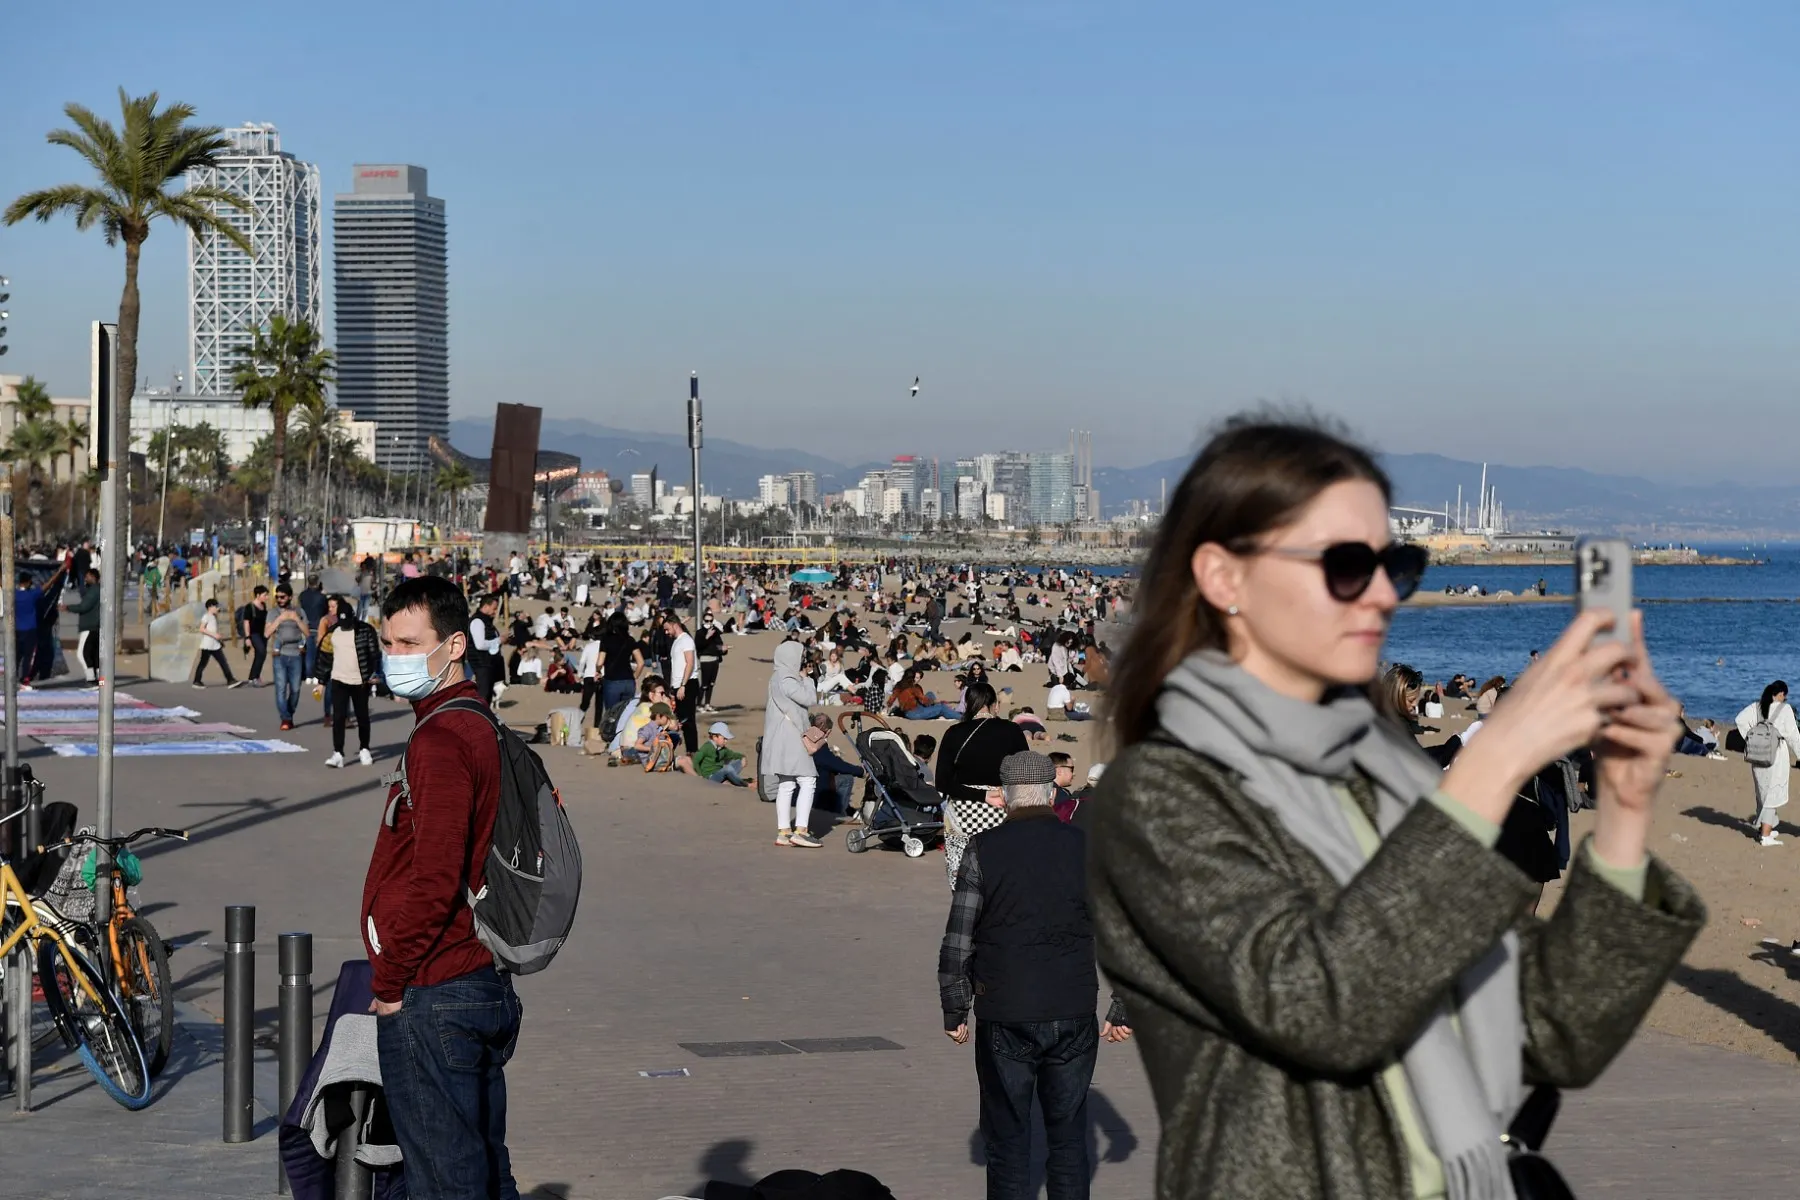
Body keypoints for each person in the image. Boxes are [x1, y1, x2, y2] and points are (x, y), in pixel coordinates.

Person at [1089, 415, 1705, 1200]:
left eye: (1396, 564)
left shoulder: (1383, 777)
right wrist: (1494, 759)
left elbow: (1555, 1030)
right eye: (1347, 565)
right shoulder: (1158, 795)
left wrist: (1622, 808)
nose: (1384, 593)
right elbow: (1321, 1008)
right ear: (1223, 576)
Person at [361, 575, 521, 1200]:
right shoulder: (480, 722)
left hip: (437, 986)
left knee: (445, 1179)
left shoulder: (440, 739)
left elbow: (434, 878)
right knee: (486, 1170)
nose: (395, 657)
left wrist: (390, 982)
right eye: (389, 643)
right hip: (479, 978)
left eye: (409, 644)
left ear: (454, 646)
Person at [938, 750, 1130, 1200]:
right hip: (1073, 1007)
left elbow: (958, 938)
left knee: (1007, 1143)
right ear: (1051, 792)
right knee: (1068, 1140)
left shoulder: (982, 848)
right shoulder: (1086, 848)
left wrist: (955, 1007)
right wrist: (1123, 1005)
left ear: (1005, 797)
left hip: (1005, 1009)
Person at [936, 682, 1029, 888]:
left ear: (968, 704)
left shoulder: (954, 733)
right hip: (1002, 809)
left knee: (963, 878)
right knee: (1001, 874)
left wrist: (981, 796)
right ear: (995, 705)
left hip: (962, 813)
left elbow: (942, 782)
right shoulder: (1012, 730)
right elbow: (1024, 774)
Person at [762, 640, 822, 848]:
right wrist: (808, 679)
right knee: (808, 779)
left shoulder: (776, 677)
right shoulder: (787, 678)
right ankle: (801, 831)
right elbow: (809, 698)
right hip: (791, 736)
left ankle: (784, 832)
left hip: (781, 736)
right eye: (801, 656)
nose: (802, 661)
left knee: (786, 783)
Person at [1736, 681, 1800, 846]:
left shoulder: (1757, 707)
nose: (1785, 698)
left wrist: (1751, 738)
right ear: (1780, 694)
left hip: (1758, 754)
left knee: (1762, 792)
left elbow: (1740, 720)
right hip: (1776, 756)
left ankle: (1765, 828)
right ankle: (1765, 836)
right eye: (1784, 695)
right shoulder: (1785, 709)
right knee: (1772, 794)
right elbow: (1793, 736)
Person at [326, 599, 380, 768]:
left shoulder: (366, 630)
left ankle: (364, 748)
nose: (345, 625)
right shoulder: (333, 632)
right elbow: (325, 656)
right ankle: (338, 753)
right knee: (338, 717)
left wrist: (374, 674)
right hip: (338, 680)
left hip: (360, 681)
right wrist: (321, 680)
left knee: (362, 716)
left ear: (353, 616)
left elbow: (374, 654)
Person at [802, 712, 865, 813]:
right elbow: (834, 764)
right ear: (826, 730)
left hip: (802, 781)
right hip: (814, 786)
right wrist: (860, 771)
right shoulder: (816, 741)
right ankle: (838, 813)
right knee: (847, 779)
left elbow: (831, 761)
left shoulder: (803, 735)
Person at [267, 585, 310, 730]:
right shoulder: (273, 613)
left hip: (296, 655)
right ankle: (285, 718)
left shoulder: (299, 612)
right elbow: (266, 633)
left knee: (296, 689)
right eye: (277, 597)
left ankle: (289, 714)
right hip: (280, 655)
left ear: (290, 597)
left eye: (282, 597)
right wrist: (280, 619)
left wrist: (296, 619)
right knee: (280, 688)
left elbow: (307, 633)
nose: (279, 600)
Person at [664, 613, 700, 753]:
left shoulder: (686, 640)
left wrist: (683, 685)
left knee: (688, 720)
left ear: (675, 625)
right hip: (678, 685)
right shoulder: (677, 641)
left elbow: (690, 663)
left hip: (688, 683)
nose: (666, 632)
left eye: (667, 629)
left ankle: (692, 751)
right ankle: (684, 750)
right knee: (679, 720)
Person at [193, 597, 242, 688]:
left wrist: (219, 641)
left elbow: (213, 630)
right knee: (203, 663)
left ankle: (230, 680)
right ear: (210, 607)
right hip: (207, 645)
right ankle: (196, 681)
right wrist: (214, 635)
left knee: (223, 662)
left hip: (215, 645)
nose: (217, 608)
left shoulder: (213, 617)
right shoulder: (206, 616)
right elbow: (201, 629)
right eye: (216, 607)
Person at [468, 593, 504, 704]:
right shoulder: (477, 621)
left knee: (487, 695)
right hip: (481, 664)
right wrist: (499, 640)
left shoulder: (486, 621)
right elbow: (480, 645)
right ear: (486, 606)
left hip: (489, 664)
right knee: (483, 695)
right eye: (494, 608)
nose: (495, 611)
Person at [67, 567, 101, 682]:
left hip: (89, 626)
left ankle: (91, 678)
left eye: (87, 577)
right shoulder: (96, 590)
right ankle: (100, 682)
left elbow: (84, 606)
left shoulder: (94, 591)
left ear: (93, 577)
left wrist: (67, 608)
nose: (85, 579)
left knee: (82, 654)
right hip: (96, 626)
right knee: (94, 655)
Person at [690, 721, 749, 787]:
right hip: (710, 777)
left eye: (727, 739)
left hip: (720, 773)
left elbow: (733, 755)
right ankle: (745, 784)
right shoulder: (707, 747)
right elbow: (695, 761)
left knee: (739, 762)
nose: (726, 741)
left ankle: (729, 780)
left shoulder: (723, 749)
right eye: (724, 739)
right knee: (727, 768)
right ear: (715, 737)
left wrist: (742, 757)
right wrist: (700, 775)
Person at [240, 584, 271, 686]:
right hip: (253, 634)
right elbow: (246, 623)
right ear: (258, 595)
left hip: (263, 634)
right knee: (261, 652)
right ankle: (254, 677)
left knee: (261, 655)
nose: (267, 597)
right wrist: (247, 638)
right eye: (265, 595)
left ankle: (254, 677)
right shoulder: (249, 607)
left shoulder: (263, 606)